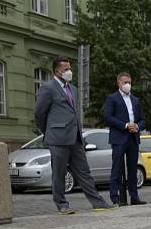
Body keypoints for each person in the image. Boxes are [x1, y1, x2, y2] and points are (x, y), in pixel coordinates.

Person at [34, 57, 116, 214]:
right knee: (59, 173)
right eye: (65, 69)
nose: (69, 72)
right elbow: (39, 113)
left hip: (75, 137)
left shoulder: (73, 88)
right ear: (56, 71)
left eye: (69, 68)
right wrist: (49, 130)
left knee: (84, 172)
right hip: (58, 138)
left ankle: (97, 202)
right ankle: (62, 204)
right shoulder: (48, 88)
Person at [103, 72, 146, 206]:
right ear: (119, 83)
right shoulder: (112, 98)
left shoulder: (135, 100)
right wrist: (126, 125)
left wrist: (137, 126)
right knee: (117, 168)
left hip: (133, 138)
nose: (128, 85)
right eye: (125, 82)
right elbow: (108, 117)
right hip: (119, 137)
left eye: (129, 82)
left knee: (133, 169)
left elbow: (143, 119)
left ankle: (134, 197)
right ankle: (115, 198)